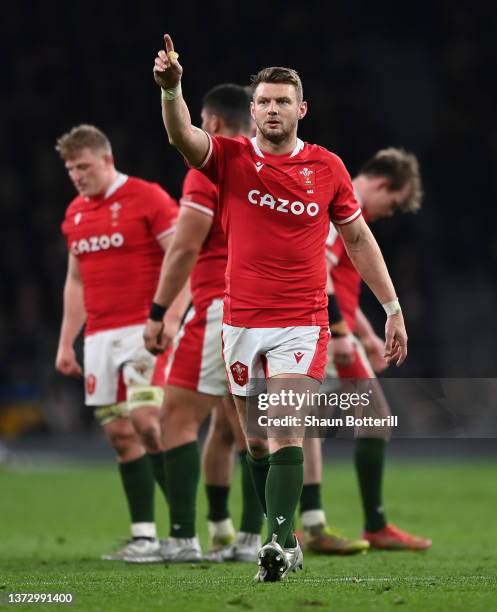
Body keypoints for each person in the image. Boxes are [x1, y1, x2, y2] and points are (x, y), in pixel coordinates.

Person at [151, 34, 408, 582]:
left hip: (302, 320)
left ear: (301, 108)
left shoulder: (328, 167)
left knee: (287, 426)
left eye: (282, 101)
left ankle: (276, 544)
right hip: (241, 320)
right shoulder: (231, 159)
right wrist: (173, 90)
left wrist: (391, 306)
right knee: (257, 442)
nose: (273, 109)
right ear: (252, 110)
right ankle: (283, 533)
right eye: (264, 101)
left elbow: (359, 239)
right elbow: (181, 137)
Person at [143, 84, 264, 563]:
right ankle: (252, 538)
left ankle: (179, 539)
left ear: (210, 123)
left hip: (220, 304)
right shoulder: (268, 165)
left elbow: (187, 245)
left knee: (175, 416)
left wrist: (159, 311)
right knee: (243, 425)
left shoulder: (210, 165)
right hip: (266, 309)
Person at [55, 124, 186, 562]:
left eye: (84, 166)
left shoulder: (148, 198)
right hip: (99, 340)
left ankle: (183, 531)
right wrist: (65, 342)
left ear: (107, 160)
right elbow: (75, 282)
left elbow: (181, 259)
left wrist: (169, 317)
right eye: (71, 168)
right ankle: (145, 537)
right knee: (119, 435)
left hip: (144, 332)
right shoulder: (75, 213)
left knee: (148, 422)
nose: (77, 175)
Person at [299, 148, 431, 552]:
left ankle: (311, 523)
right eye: (391, 204)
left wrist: (366, 334)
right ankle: (371, 523)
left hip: (328, 326)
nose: (388, 213)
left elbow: (338, 283)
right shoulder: (340, 205)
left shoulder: (344, 207)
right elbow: (318, 270)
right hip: (323, 328)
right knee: (374, 415)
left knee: (308, 426)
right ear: (381, 184)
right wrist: (341, 333)